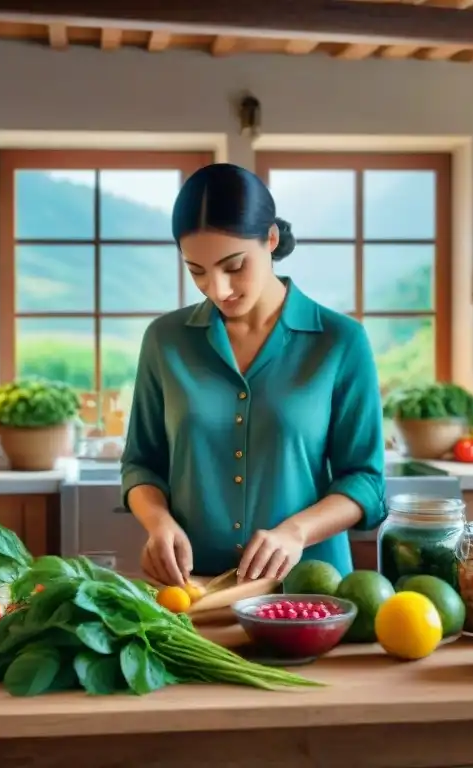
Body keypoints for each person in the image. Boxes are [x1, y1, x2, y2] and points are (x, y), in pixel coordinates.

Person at [120, 162, 386, 587]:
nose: (218, 288)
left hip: (312, 590)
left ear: (271, 240)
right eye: (197, 271)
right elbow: (141, 465)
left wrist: (295, 532)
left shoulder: (341, 341)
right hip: (194, 592)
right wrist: (159, 524)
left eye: (234, 265)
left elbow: (367, 481)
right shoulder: (164, 341)